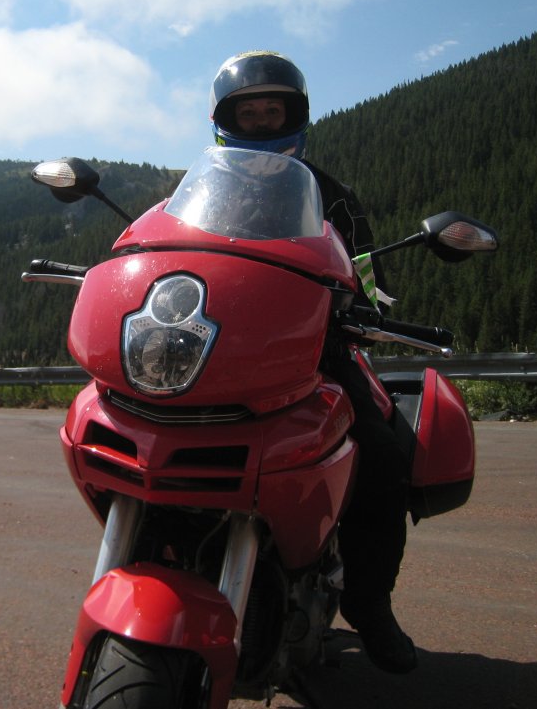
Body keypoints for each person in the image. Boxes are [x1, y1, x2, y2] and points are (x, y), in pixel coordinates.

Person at [209, 50, 418, 674]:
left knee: (381, 455)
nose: (263, 121)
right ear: (228, 119)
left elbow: (372, 278)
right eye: (250, 112)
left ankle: (368, 602)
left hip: (314, 352)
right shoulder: (202, 189)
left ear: (294, 115)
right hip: (217, 353)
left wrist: (364, 306)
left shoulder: (331, 195)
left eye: (273, 110)